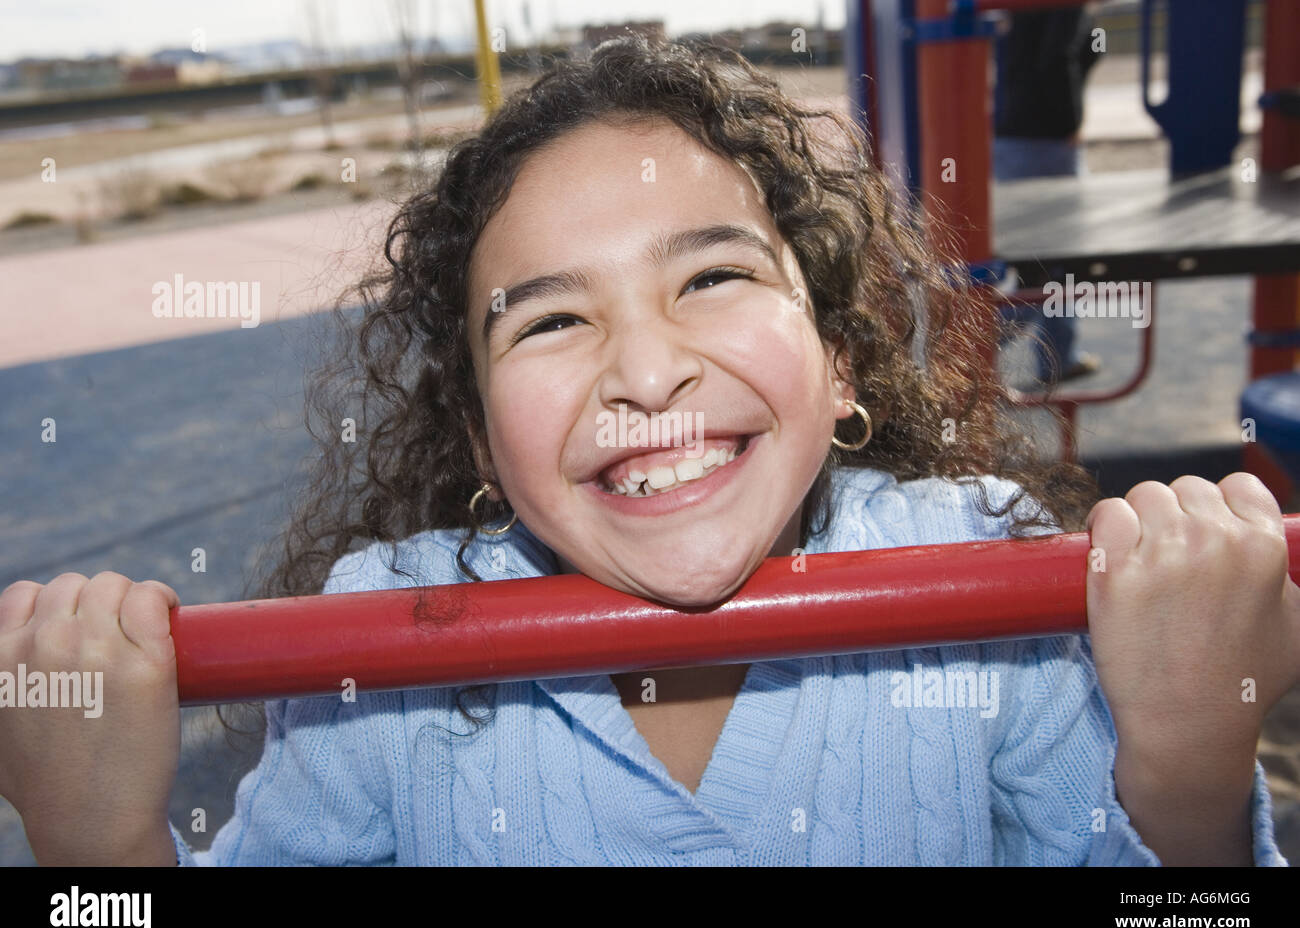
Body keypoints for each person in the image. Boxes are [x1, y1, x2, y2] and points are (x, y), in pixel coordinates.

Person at [1, 36, 1295, 866]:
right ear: (480, 436)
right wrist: (92, 843)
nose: (645, 368)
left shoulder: (978, 589)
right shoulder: (392, 665)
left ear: (838, 356)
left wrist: (1188, 762)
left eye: (713, 276)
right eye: (554, 317)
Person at [994, 5, 1105, 386]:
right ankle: (964, 352)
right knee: (1044, 268)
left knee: (1052, 265)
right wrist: (1069, 124)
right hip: (1043, 142)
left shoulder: (1031, 13)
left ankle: (1060, 356)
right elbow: (1056, 59)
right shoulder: (1061, 8)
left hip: (1017, 138)